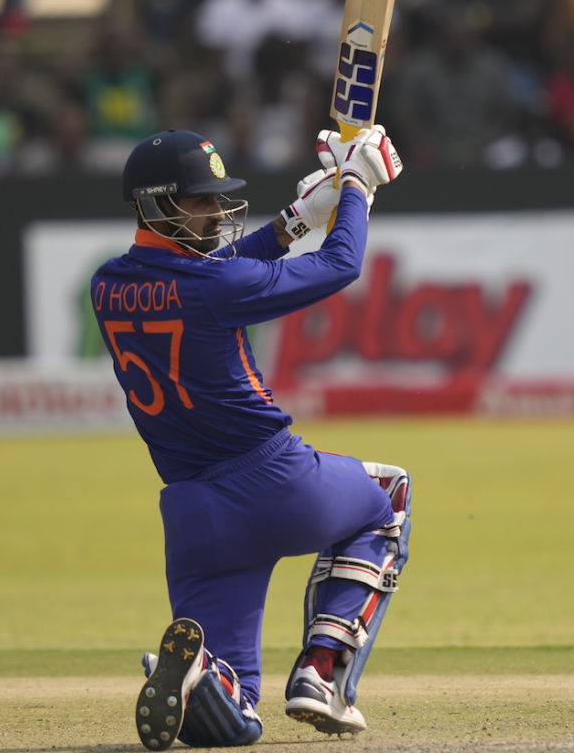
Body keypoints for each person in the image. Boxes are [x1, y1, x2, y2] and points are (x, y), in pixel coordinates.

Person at [90, 126, 410, 750]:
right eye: (200, 200)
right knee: (389, 495)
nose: (217, 211)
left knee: (236, 717)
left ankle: (202, 680)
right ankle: (323, 673)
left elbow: (207, 272)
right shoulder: (216, 287)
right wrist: (355, 188)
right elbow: (340, 264)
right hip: (275, 483)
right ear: (155, 203)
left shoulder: (107, 286)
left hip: (194, 516)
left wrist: (296, 219)